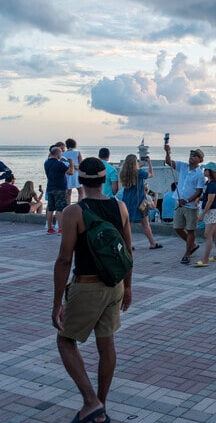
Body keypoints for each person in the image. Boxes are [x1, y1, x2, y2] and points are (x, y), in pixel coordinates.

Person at [51, 157, 133, 423]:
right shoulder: (119, 207)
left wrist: (56, 303)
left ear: (81, 181)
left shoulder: (74, 212)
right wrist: (128, 287)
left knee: (65, 340)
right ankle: (100, 410)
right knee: (106, 343)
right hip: (115, 286)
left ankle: (90, 401)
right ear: (103, 179)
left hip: (87, 286)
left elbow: (65, 260)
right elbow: (128, 251)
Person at [164, 145, 205, 264]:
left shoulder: (199, 174)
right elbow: (168, 162)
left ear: (199, 159)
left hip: (190, 206)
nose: (191, 157)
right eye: (190, 155)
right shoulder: (183, 166)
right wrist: (168, 152)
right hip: (179, 204)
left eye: (194, 156)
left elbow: (199, 191)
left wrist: (187, 200)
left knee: (191, 230)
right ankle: (192, 245)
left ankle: (187, 252)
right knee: (177, 227)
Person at [119, 154, 162, 250]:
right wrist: (149, 163)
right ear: (135, 163)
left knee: (128, 224)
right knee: (145, 224)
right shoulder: (138, 172)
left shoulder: (123, 172)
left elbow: (132, 173)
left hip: (126, 201)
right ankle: (152, 244)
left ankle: (127, 245)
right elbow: (151, 174)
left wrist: (140, 165)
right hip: (139, 202)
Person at [195, 162, 216, 266]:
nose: (204, 171)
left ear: (210, 172)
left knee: (207, 235)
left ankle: (205, 260)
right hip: (214, 211)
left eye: (205, 169)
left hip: (213, 211)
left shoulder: (212, 185)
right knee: (215, 234)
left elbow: (210, 201)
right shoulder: (210, 183)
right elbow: (207, 197)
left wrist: (202, 215)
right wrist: (199, 198)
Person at [44, 146, 74, 234]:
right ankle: (61, 229)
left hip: (50, 187)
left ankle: (49, 228)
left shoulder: (46, 163)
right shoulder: (59, 164)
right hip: (60, 188)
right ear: (58, 153)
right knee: (60, 209)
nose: (61, 154)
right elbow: (71, 172)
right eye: (61, 153)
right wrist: (71, 163)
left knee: (50, 208)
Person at [62, 138, 84, 204]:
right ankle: (79, 207)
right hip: (76, 173)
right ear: (74, 145)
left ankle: (67, 208)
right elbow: (81, 164)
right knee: (81, 192)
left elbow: (63, 165)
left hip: (67, 173)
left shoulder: (63, 154)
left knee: (68, 193)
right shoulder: (77, 152)